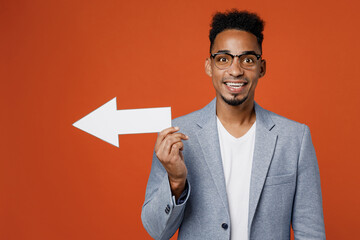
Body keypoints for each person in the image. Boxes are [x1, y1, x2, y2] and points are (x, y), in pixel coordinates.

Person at [141, 9, 325, 240]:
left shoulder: (295, 138)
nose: (236, 70)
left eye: (248, 59)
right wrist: (176, 182)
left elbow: (311, 232)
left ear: (262, 67)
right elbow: (156, 231)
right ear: (209, 66)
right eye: (223, 59)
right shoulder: (177, 137)